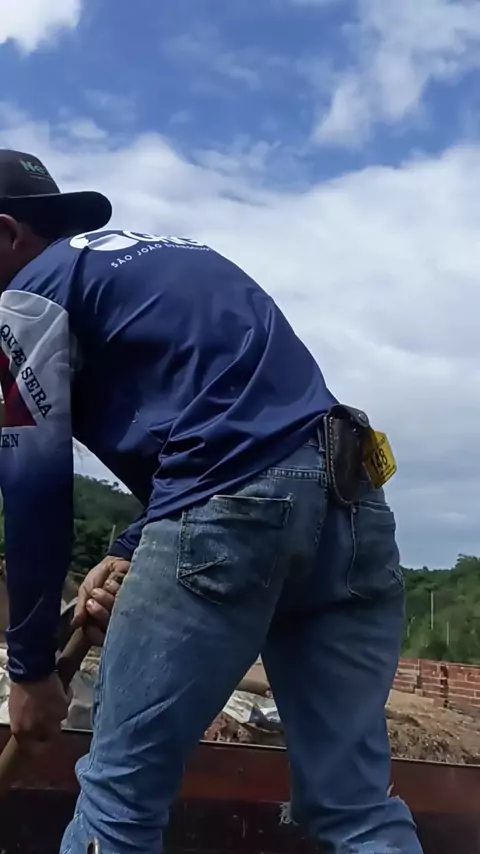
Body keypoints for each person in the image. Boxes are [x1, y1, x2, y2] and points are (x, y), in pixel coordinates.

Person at [0, 149, 423, 854]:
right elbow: (244, 423)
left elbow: (34, 485)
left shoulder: (27, 295)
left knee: (118, 803)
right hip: (349, 502)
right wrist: (129, 548)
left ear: (7, 234)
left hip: (231, 501)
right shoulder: (162, 260)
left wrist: (31, 669)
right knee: (355, 806)